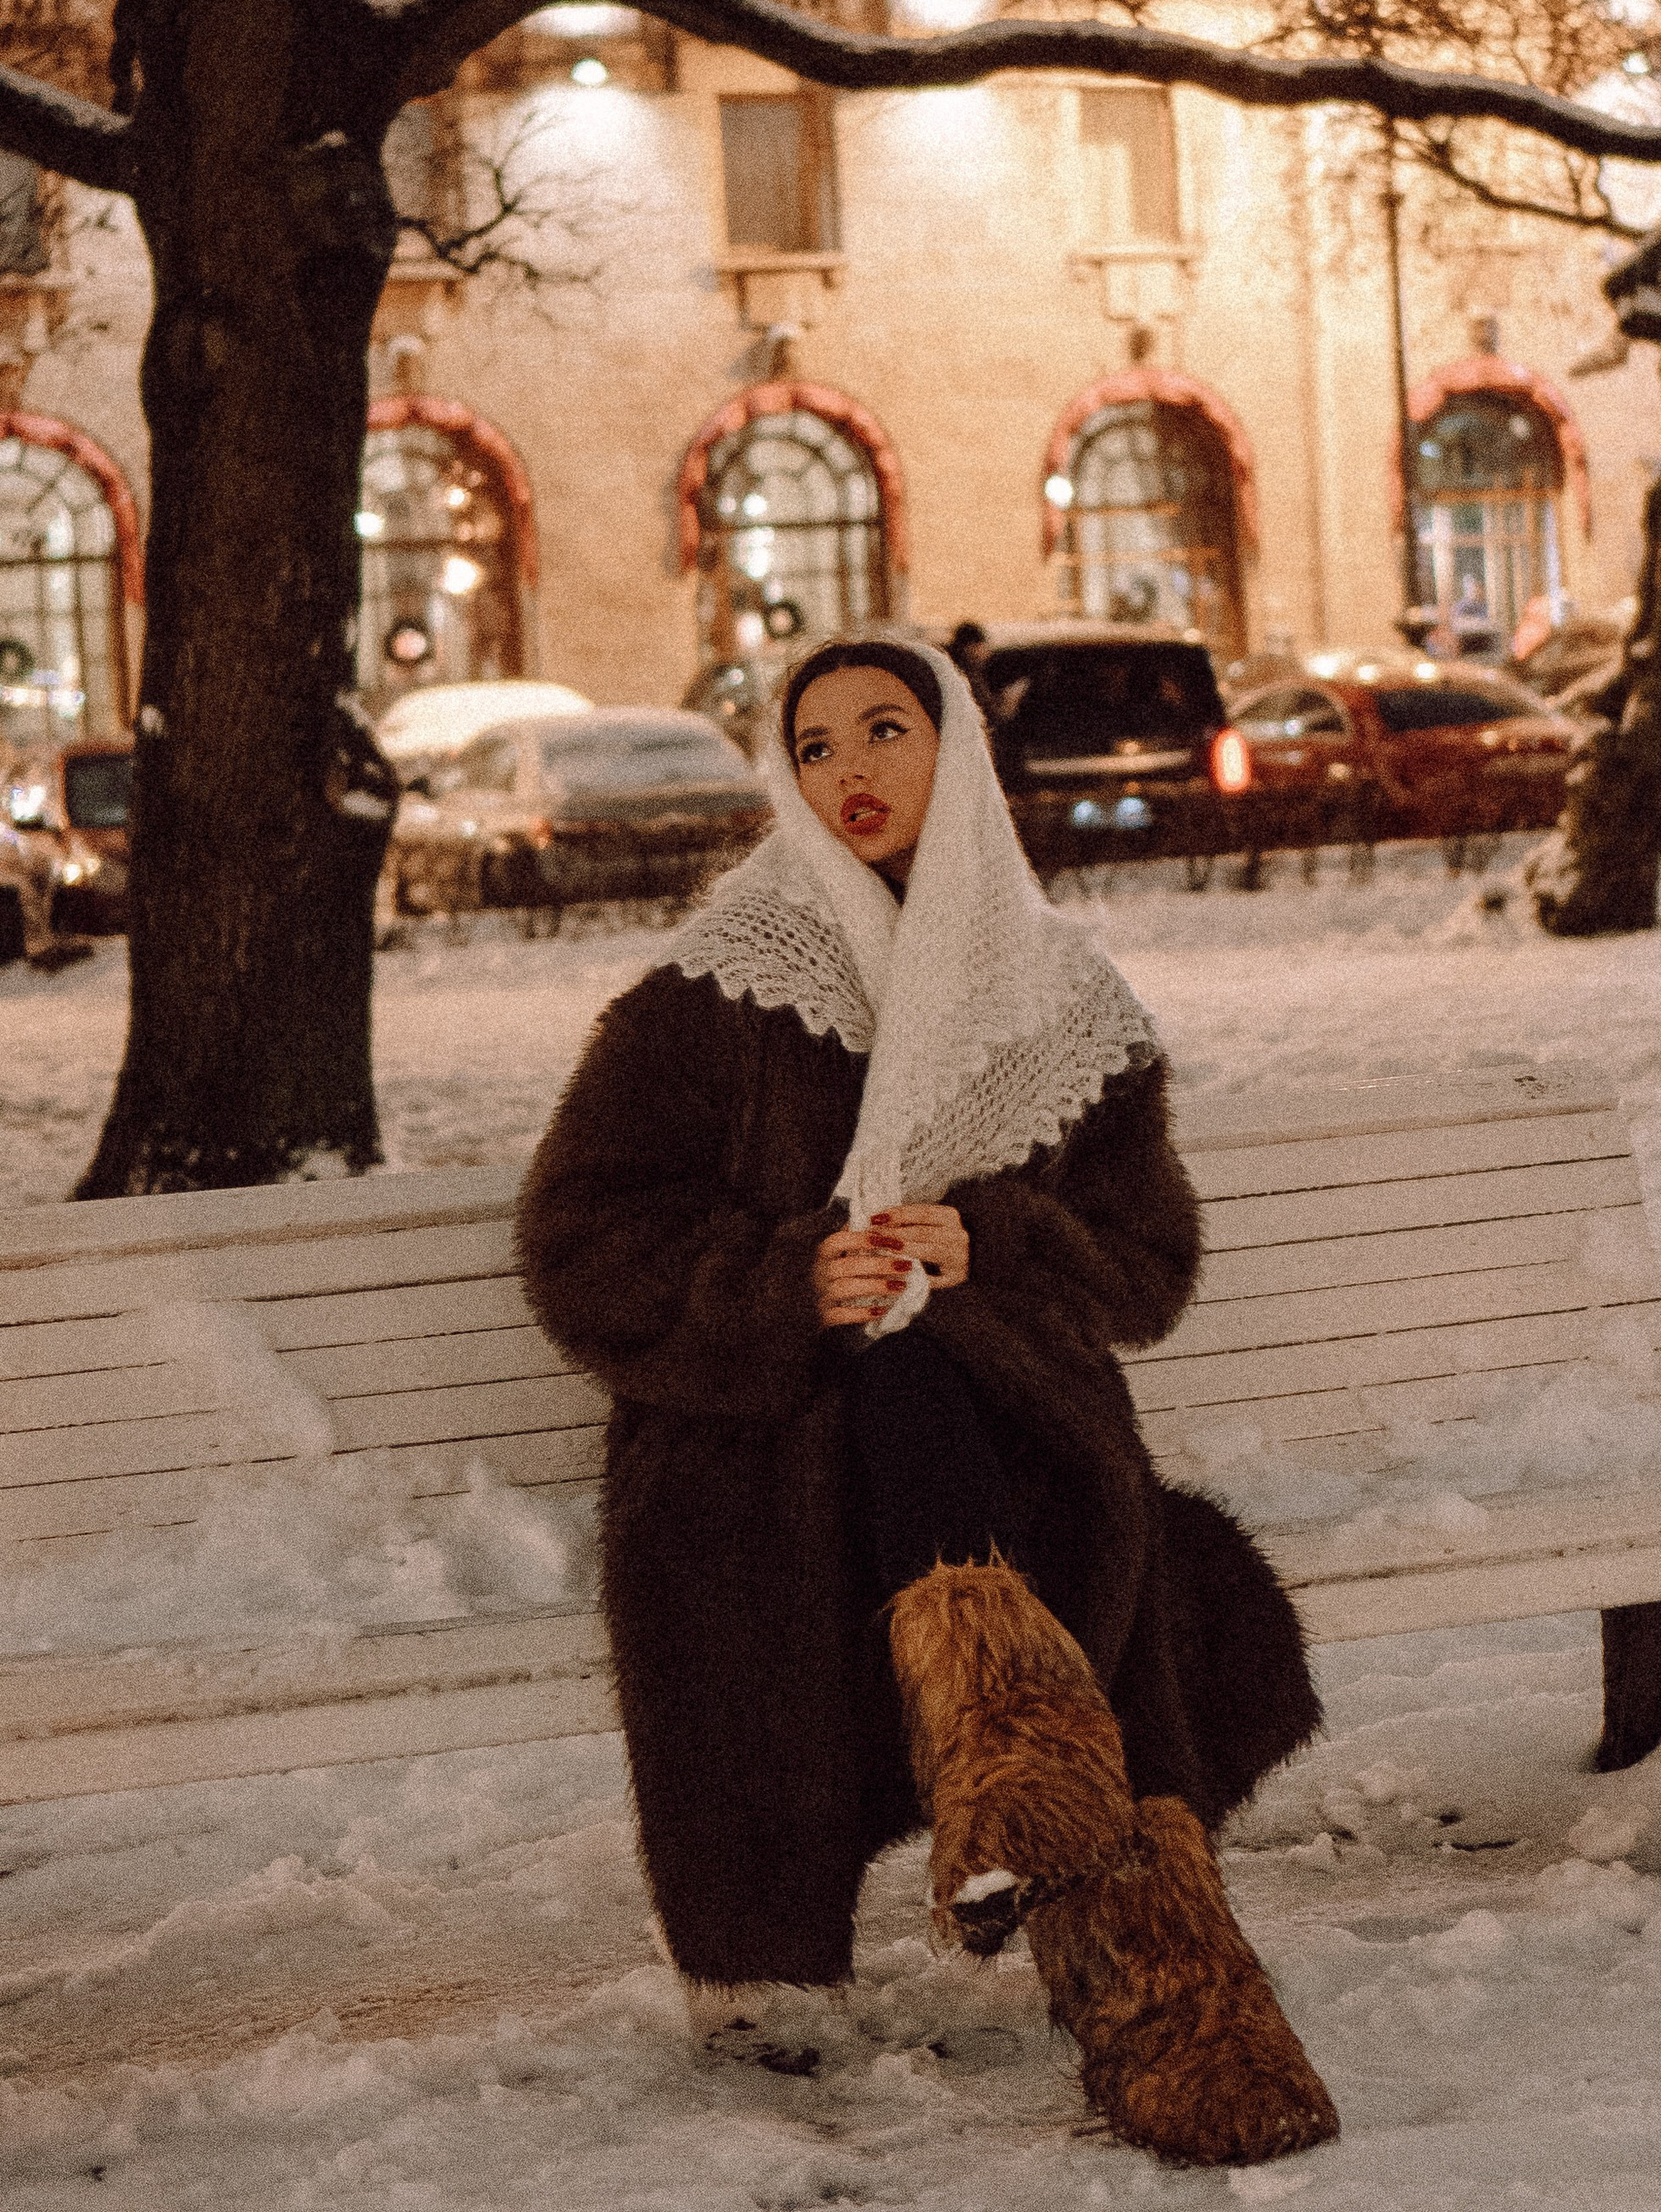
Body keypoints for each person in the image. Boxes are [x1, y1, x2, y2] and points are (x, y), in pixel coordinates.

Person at [517, 635, 1336, 2167]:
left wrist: (1000, 1246)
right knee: (864, 1397)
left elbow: (1145, 1263)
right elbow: (582, 1242)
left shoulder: (1063, 1003)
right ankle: (1066, 1850)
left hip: (1009, 1423)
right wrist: (782, 1282)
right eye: (815, 747)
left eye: (886, 731)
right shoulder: (712, 995)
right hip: (752, 1433)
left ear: (956, 752)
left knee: (1025, 1440)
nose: (852, 775)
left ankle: (1060, 1845)